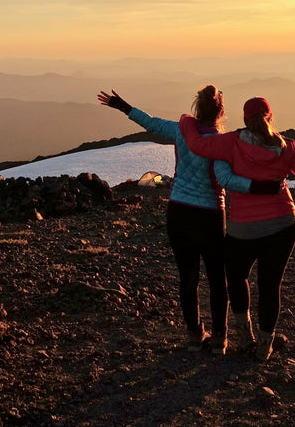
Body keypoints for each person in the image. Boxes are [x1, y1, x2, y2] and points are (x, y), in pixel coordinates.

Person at [178, 96, 295, 361]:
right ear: (270, 117)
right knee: (270, 285)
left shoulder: (231, 143)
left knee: (236, 277)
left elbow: (197, 144)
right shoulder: (287, 148)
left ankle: (245, 337)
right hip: (283, 225)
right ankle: (264, 347)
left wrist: (186, 120)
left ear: (245, 119)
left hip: (244, 228)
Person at [97, 86, 282, 355]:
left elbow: (151, 123)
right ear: (221, 112)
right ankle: (220, 340)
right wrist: (265, 186)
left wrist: (123, 106)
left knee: (188, 278)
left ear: (197, 108)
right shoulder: (221, 142)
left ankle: (194, 336)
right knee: (218, 279)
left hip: (179, 211)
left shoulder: (182, 130)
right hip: (209, 214)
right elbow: (227, 179)